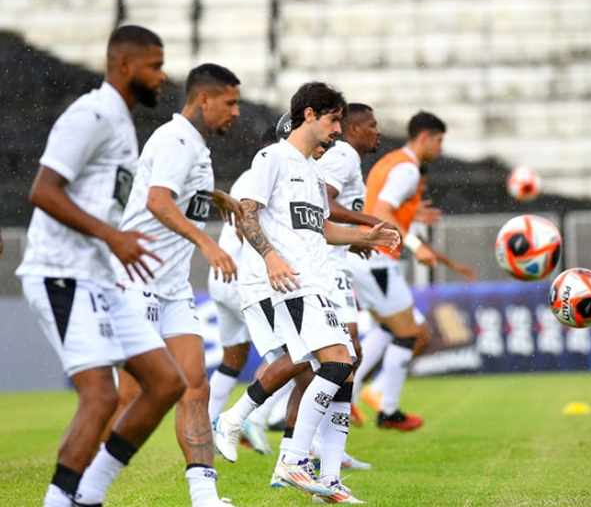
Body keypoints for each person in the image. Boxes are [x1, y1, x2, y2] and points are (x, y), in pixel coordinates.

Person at [15, 25, 186, 507]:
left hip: (97, 276)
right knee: (101, 397)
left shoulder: (120, 122)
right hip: (60, 272)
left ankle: (88, 494)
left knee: (166, 382)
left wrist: (112, 246)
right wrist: (114, 237)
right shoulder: (90, 114)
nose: (162, 75)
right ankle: (59, 500)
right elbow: (43, 191)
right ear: (124, 64)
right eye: (155, 65)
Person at [216, 82, 398, 503]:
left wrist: (367, 236)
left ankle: (323, 478)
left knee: (343, 366)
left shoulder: (313, 173)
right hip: (291, 282)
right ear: (311, 115)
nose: (339, 129)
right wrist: (271, 258)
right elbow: (247, 213)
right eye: (335, 119)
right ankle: (290, 458)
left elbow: (324, 229)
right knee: (334, 363)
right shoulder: (272, 157)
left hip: (318, 281)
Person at [104, 63, 243, 507]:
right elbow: (157, 200)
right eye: (230, 102)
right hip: (135, 280)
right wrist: (208, 243)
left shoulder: (196, 148)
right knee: (129, 396)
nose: (237, 112)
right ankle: (78, 486)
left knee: (194, 385)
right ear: (204, 99)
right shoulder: (175, 139)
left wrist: (215, 196)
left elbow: (175, 192)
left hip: (171, 288)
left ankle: (204, 496)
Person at [345, 111, 447, 430]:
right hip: (376, 260)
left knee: (391, 330)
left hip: (367, 258)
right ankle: (386, 410)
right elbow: (382, 209)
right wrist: (418, 247)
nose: (440, 148)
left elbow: (377, 204)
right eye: (439, 141)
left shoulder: (389, 161)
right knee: (411, 333)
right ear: (425, 137)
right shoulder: (407, 169)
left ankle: (354, 395)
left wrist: (412, 216)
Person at [206, 125, 278, 456]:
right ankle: (253, 417)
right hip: (241, 280)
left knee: (232, 360)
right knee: (293, 353)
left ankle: (205, 428)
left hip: (221, 280)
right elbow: (243, 231)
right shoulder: (262, 177)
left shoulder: (248, 176)